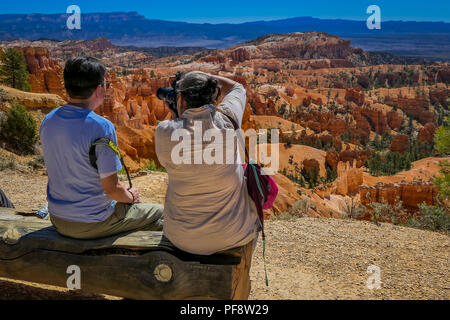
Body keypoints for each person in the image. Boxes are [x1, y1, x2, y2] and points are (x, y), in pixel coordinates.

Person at [40, 56, 163, 240]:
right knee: (160, 214)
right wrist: (131, 196)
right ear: (99, 89)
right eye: (105, 83)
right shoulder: (100, 126)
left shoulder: (48, 120)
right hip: (91, 223)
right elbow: (112, 189)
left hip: (57, 218)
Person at [155, 71, 260, 255]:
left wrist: (176, 115)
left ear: (180, 100)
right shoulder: (228, 119)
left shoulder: (164, 132)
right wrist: (203, 76)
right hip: (233, 235)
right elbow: (238, 88)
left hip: (180, 238)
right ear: (215, 98)